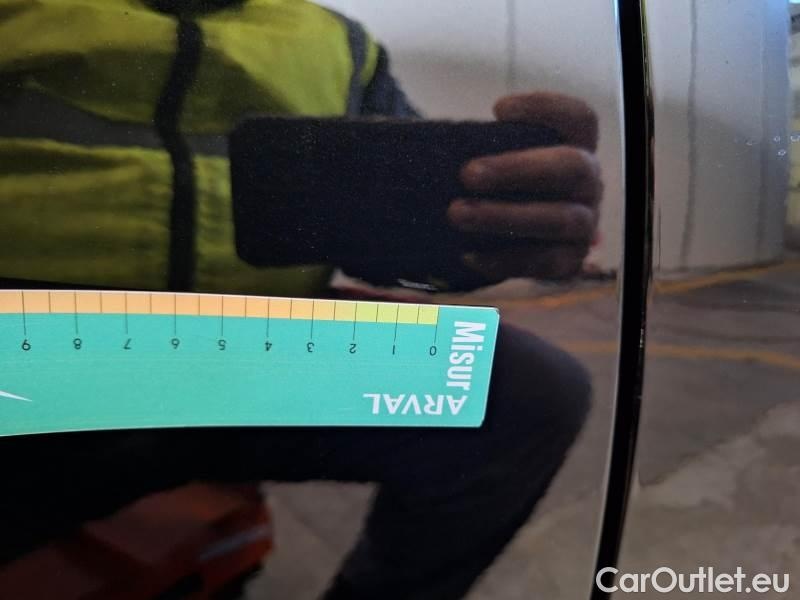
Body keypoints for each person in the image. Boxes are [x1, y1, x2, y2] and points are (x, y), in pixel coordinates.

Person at [0, 0, 600, 598]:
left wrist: (483, 245)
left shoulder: (339, 43)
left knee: (529, 393)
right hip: (27, 367)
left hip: (251, 362)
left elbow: (402, 238)